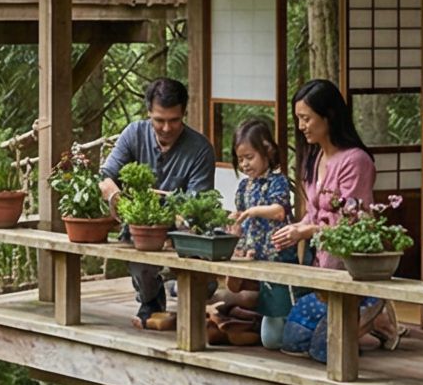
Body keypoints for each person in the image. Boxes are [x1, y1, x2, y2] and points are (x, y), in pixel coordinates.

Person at [269, 77, 401, 353]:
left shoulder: (355, 161)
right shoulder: (314, 156)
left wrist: (306, 231)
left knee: (323, 350)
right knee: (291, 343)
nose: (301, 126)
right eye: (298, 119)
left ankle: (374, 308)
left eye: (307, 118)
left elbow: (352, 226)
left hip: (350, 273)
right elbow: (313, 215)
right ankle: (371, 325)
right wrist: (293, 231)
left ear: (328, 116)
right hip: (323, 271)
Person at [99, 76, 217, 330]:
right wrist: (114, 197)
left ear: (184, 113)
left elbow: (199, 202)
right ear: (149, 112)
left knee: (196, 257)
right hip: (141, 226)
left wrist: (170, 214)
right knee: (136, 243)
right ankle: (150, 299)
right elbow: (106, 176)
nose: (166, 128)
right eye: (159, 120)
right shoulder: (133, 134)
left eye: (174, 120)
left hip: (184, 226)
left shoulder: (200, 148)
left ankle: (200, 285)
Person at [207, 117, 293, 347]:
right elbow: (241, 217)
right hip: (252, 254)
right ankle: (247, 323)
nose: (244, 164)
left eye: (249, 157)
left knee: (273, 327)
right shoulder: (244, 186)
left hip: (276, 255)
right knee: (239, 290)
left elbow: (279, 211)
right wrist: (235, 224)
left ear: (267, 150)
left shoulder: (278, 181)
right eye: (240, 159)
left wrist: (253, 211)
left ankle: (278, 324)